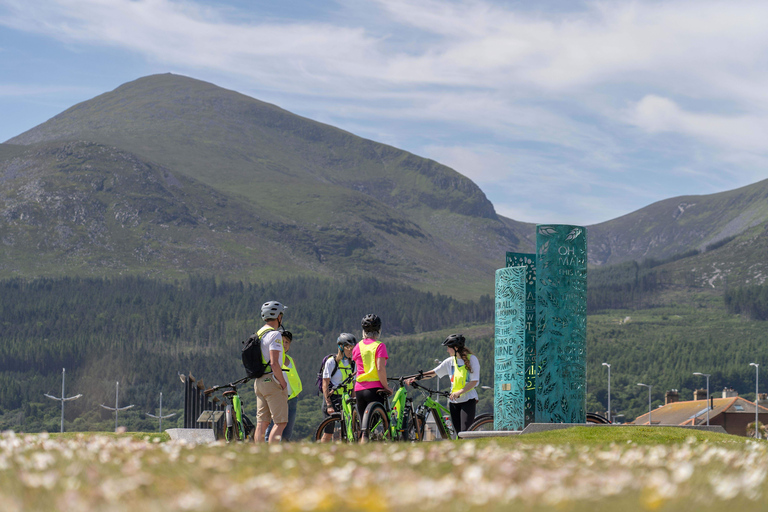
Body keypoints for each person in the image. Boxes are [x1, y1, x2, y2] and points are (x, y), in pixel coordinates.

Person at [406, 334, 480, 433]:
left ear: (456, 348)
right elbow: (433, 373)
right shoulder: (450, 361)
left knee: (465, 432)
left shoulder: (472, 359)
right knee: (458, 433)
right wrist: (416, 378)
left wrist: (459, 392)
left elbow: (474, 382)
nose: (447, 350)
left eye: (449, 348)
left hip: (468, 400)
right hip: (454, 402)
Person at [253, 301, 290, 443]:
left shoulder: (259, 333)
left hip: (259, 381)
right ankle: (272, 453)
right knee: (280, 422)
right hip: (272, 380)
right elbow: (274, 363)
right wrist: (283, 383)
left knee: (262, 422)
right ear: (278, 316)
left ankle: (258, 454)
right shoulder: (275, 335)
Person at [352, 314, 392, 441]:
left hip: (359, 389)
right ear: (379, 330)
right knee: (379, 423)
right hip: (374, 389)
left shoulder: (357, 346)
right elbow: (380, 368)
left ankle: (362, 447)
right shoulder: (379, 346)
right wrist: (386, 387)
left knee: (364, 427)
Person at [319, 333, 357, 442]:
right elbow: (325, 384)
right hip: (333, 398)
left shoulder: (353, 363)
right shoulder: (332, 362)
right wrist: (329, 404)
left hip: (347, 398)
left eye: (353, 348)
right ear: (341, 347)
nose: (351, 350)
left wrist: (354, 402)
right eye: (348, 347)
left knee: (351, 429)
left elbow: (354, 385)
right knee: (328, 432)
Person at [265, 330, 301, 442]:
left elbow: (294, 378)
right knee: (273, 427)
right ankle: (268, 449)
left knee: (287, 433)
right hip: (278, 398)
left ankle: (284, 453)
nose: (284, 344)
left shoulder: (291, 360)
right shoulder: (273, 361)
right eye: (282, 341)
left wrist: (297, 393)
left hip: (292, 398)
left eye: (287, 342)